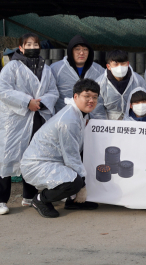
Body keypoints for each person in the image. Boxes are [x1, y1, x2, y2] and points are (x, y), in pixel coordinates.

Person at [0, 33, 59, 216]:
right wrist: (26, 101)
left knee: (32, 157)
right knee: (6, 158)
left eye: (35, 44)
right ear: (20, 48)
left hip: (38, 117)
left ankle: (29, 196)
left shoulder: (47, 68)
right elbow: (3, 90)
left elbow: (53, 91)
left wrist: (42, 102)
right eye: (28, 44)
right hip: (15, 120)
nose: (32, 47)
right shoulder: (12, 67)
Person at [20, 79, 101, 218]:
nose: (91, 100)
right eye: (86, 96)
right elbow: (71, 156)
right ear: (76, 96)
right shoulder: (68, 120)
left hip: (54, 160)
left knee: (83, 162)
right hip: (37, 165)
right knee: (74, 182)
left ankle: (72, 201)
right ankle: (40, 200)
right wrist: (82, 186)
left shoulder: (78, 113)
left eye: (94, 97)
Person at [51, 35, 105, 112]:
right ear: (70, 51)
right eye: (77, 49)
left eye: (85, 49)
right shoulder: (56, 69)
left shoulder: (99, 70)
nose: (82, 53)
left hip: (92, 119)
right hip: (64, 116)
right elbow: (50, 93)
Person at [91, 50, 146, 120]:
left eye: (123, 63)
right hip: (109, 124)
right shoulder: (100, 83)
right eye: (116, 64)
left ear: (128, 64)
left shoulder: (138, 80)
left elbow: (145, 103)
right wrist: (104, 127)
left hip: (133, 122)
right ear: (108, 66)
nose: (120, 67)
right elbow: (97, 111)